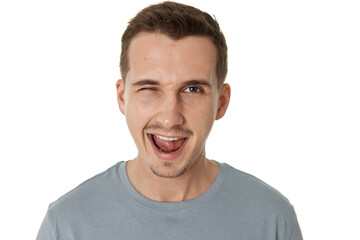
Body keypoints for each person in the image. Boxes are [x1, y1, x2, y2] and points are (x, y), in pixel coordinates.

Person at [37, 1, 302, 239]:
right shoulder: (67, 224)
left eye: (193, 89)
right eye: (149, 88)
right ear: (122, 98)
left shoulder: (272, 219)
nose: (169, 117)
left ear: (221, 102)